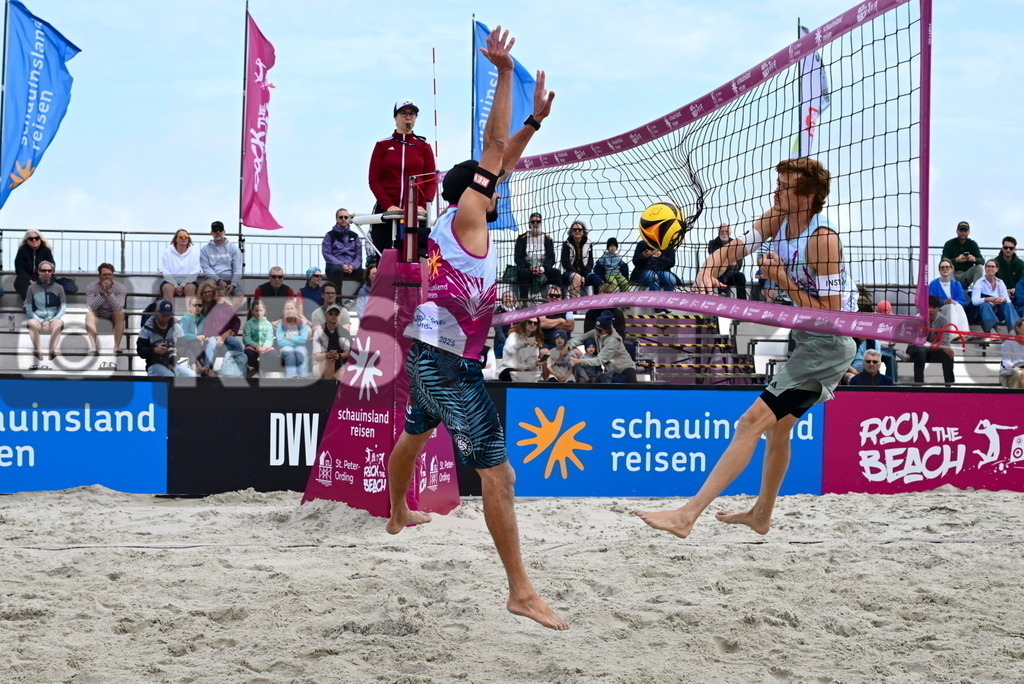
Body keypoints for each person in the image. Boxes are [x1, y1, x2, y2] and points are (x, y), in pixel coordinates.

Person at [386, 27, 566, 631]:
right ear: (475, 192)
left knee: (414, 434)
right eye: (491, 183)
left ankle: (396, 512)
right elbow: (492, 146)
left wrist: (535, 125)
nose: (501, 184)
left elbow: (501, 158)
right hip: (448, 362)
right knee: (499, 474)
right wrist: (506, 75)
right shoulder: (467, 214)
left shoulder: (456, 221)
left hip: (427, 352)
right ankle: (520, 590)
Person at [635, 157, 857, 540]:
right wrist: (708, 271)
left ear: (807, 195)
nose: (777, 190)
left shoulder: (823, 239)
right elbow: (734, 249)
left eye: (785, 185)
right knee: (779, 430)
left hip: (828, 343)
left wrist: (782, 279)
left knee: (750, 423)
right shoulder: (778, 219)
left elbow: (832, 316)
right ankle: (761, 514)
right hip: (808, 338)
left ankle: (688, 515)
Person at [367, 99, 437, 256]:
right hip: (387, 212)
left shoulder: (424, 147)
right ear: (395, 117)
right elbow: (374, 180)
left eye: (412, 114)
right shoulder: (382, 145)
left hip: (416, 214)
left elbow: (431, 179)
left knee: (416, 257)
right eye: (403, 113)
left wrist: (423, 205)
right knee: (386, 258)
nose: (408, 117)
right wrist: (388, 205)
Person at [567, 311, 636, 383]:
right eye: (596, 328)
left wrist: (580, 361)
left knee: (633, 390)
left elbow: (599, 360)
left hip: (624, 369)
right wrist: (568, 346)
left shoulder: (613, 340)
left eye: (599, 330)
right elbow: (581, 338)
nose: (596, 332)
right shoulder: (597, 332)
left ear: (607, 330)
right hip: (611, 371)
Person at [136, 300, 197, 378]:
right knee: (169, 376)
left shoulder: (177, 327)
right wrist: (154, 350)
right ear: (156, 312)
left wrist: (177, 350)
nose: (165, 319)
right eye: (163, 315)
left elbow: (183, 346)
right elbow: (140, 350)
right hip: (153, 364)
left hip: (173, 363)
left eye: (168, 316)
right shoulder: (146, 329)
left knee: (191, 376)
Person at [906, 295, 955, 385]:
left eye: (934, 307)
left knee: (948, 354)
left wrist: (942, 347)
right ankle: (919, 385)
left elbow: (945, 343)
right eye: (928, 307)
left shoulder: (944, 321)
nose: (931, 310)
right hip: (915, 350)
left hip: (934, 350)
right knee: (921, 351)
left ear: (938, 309)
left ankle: (949, 386)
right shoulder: (917, 319)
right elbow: (917, 342)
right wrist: (939, 346)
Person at [25, 261, 65, 364]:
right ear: (39, 272)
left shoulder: (59, 288)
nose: (46, 272)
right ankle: (38, 350)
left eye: (49, 270)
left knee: (59, 323)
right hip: (38, 318)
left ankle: (52, 350)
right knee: (31, 323)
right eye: (43, 270)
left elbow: (63, 307)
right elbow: (28, 307)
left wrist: (50, 321)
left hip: (53, 318)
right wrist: (41, 321)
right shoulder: (31, 288)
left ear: (52, 272)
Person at [513, 212, 560, 300]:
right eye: (533, 222)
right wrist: (529, 267)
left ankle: (559, 299)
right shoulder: (521, 239)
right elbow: (517, 258)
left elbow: (551, 258)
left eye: (537, 221)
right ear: (529, 223)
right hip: (527, 268)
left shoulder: (547, 239)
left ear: (541, 223)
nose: (535, 224)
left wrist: (542, 268)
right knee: (523, 273)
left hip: (543, 268)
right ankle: (524, 301)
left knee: (556, 272)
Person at [198, 285, 243, 376]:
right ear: (214, 297)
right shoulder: (212, 308)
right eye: (218, 295)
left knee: (235, 343)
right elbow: (208, 324)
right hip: (213, 335)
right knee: (211, 344)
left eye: (222, 295)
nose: (220, 298)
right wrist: (214, 336)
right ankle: (207, 366)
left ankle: (243, 364)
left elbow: (237, 321)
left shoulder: (229, 308)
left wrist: (232, 332)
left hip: (226, 336)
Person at [85, 263, 127, 355]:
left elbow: (118, 307)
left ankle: (116, 346)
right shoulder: (91, 286)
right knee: (89, 315)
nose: (107, 277)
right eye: (104, 274)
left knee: (120, 314)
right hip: (97, 313)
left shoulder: (120, 287)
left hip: (113, 314)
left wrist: (108, 292)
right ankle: (94, 347)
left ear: (113, 275)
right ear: (99, 276)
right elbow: (90, 307)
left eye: (109, 274)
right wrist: (102, 293)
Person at [199, 221, 244, 307]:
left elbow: (237, 268)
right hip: (213, 280)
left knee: (239, 296)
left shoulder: (234, 249)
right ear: (211, 233)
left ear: (224, 232)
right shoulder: (204, 250)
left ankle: (227, 316)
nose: (218, 232)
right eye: (215, 230)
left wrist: (233, 284)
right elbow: (206, 269)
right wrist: (218, 280)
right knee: (208, 290)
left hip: (230, 280)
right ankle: (208, 315)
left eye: (220, 230)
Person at [972, 259, 1020, 334]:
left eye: (992, 266)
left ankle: (1014, 330)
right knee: (985, 305)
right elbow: (974, 301)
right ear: (985, 268)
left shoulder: (1000, 282)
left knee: (1008, 304)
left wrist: (1002, 300)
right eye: (988, 266)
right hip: (983, 313)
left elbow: (1007, 299)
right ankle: (992, 328)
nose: (990, 268)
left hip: (998, 310)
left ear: (997, 269)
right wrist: (988, 299)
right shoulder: (979, 283)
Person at [322, 208, 365, 289]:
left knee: (368, 275)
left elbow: (358, 256)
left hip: (351, 268)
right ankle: (338, 300)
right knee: (337, 271)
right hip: (334, 267)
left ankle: (354, 299)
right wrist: (341, 265)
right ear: (336, 218)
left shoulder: (355, 236)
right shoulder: (329, 235)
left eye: (346, 217)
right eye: (341, 217)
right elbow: (327, 254)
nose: (343, 219)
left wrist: (352, 266)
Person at [928, 258, 969, 341]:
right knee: (950, 306)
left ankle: (964, 333)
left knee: (958, 306)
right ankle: (952, 334)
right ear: (939, 270)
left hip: (955, 310)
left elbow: (963, 301)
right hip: (939, 310)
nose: (945, 269)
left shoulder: (957, 284)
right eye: (942, 267)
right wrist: (944, 301)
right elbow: (931, 300)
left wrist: (955, 302)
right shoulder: (934, 284)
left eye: (947, 267)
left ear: (951, 269)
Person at [559, 220, 601, 298]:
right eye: (574, 230)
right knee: (576, 277)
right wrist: (578, 275)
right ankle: (573, 307)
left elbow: (590, 262)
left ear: (583, 232)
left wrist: (584, 275)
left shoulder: (588, 243)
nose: (577, 231)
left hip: (585, 272)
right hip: (569, 273)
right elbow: (565, 263)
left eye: (579, 230)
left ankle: (598, 303)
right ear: (571, 232)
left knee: (597, 279)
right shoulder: (566, 244)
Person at [160, 229, 201, 304]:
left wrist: (182, 285)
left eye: (186, 236)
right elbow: (165, 271)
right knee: (167, 288)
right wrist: (176, 286)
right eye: (181, 236)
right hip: (170, 282)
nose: (184, 238)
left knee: (190, 288)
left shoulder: (194, 253)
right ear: (176, 239)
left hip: (189, 282)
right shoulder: (167, 252)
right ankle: (169, 314)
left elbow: (195, 271)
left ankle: (190, 315)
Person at [707, 223, 747, 299]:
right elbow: (715, 260)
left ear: (730, 232)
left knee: (740, 276)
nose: (724, 233)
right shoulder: (712, 243)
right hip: (717, 274)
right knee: (715, 276)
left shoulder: (736, 244)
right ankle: (720, 298)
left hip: (731, 274)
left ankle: (742, 302)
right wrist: (730, 261)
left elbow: (738, 265)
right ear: (718, 232)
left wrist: (726, 276)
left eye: (726, 231)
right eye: (722, 231)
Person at [311, 304, 351, 380]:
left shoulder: (345, 333)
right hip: (320, 365)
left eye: (336, 314)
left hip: (339, 364)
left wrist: (338, 355)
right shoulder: (318, 333)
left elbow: (347, 353)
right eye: (331, 314)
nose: (333, 316)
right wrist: (327, 355)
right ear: (326, 316)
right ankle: (327, 388)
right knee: (331, 359)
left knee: (346, 373)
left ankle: (330, 383)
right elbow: (317, 357)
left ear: (339, 317)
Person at [940, 221, 984, 288]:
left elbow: (982, 261)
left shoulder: (972, 244)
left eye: (965, 231)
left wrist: (974, 259)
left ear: (968, 232)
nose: (963, 233)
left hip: (967, 275)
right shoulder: (949, 243)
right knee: (947, 265)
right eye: (961, 230)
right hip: (952, 274)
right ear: (957, 231)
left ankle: (977, 292)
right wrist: (956, 260)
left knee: (979, 267)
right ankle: (951, 290)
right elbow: (943, 261)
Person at [14, 230, 56, 301]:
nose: (34, 240)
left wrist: (40, 279)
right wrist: (29, 280)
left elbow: (51, 266)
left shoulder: (46, 251)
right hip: (26, 278)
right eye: (31, 238)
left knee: (48, 283)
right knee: (21, 283)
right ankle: (29, 304)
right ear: (27, 241)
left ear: (40, 239)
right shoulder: (22, 251)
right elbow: (19, 268)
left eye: (36, 238)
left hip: (42, 277)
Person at [276, 299, 311, 378]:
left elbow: (303, 339)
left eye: (292, 308)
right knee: (289, 351)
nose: (290, 311)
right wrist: (296, 341)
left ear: (296, 310)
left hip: (300, 347)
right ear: (284, 311)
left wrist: (290, 337)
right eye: (287, 309)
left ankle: (303, 375)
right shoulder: (281, 324)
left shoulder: (302, 323)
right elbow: (280, 341)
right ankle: (291, 375)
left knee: (301, 351)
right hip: (285, 347)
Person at [242, 300, 277, 378]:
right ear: (252, 311)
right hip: (253, 346)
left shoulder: (268, 324)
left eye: (261, 310)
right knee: (248, 353)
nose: (259, 313)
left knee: (273, 354)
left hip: (265, 347)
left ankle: (262, 368)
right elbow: (246, 337)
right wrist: (255, 345)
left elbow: (269, 338)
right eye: (256, 310)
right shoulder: (249, 323)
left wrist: (265, 346)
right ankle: (254, 367)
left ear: (264, 311)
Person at [178, 296, 207, 371]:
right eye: (195, 305)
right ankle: (205, 365)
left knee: (191, 350)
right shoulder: (185, 318)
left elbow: (206, 332)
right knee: (193, 343)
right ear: (190, 306)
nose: (197, 307)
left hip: (198, 345)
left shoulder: (203, 319)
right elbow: (182, 334)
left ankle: (194, 372)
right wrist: (196, 337)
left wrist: (202, 338)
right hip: (184, 344)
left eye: (200, 305)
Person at [999, 318, 1024, 388]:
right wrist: (1017, 368)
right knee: (1021, 374)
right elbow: (1006, 362)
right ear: (1018, 328)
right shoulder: (1008, 343)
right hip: (1012, 371)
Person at [492, 290, 517, 358]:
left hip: (516, 341)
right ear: (502, 300)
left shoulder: (518, 312)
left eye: (510, 296)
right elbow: (499, 331)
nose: (508, 298)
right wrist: (507, 342)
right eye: (505, 296)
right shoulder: (498, 312)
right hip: (502, 342)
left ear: (514, 299)